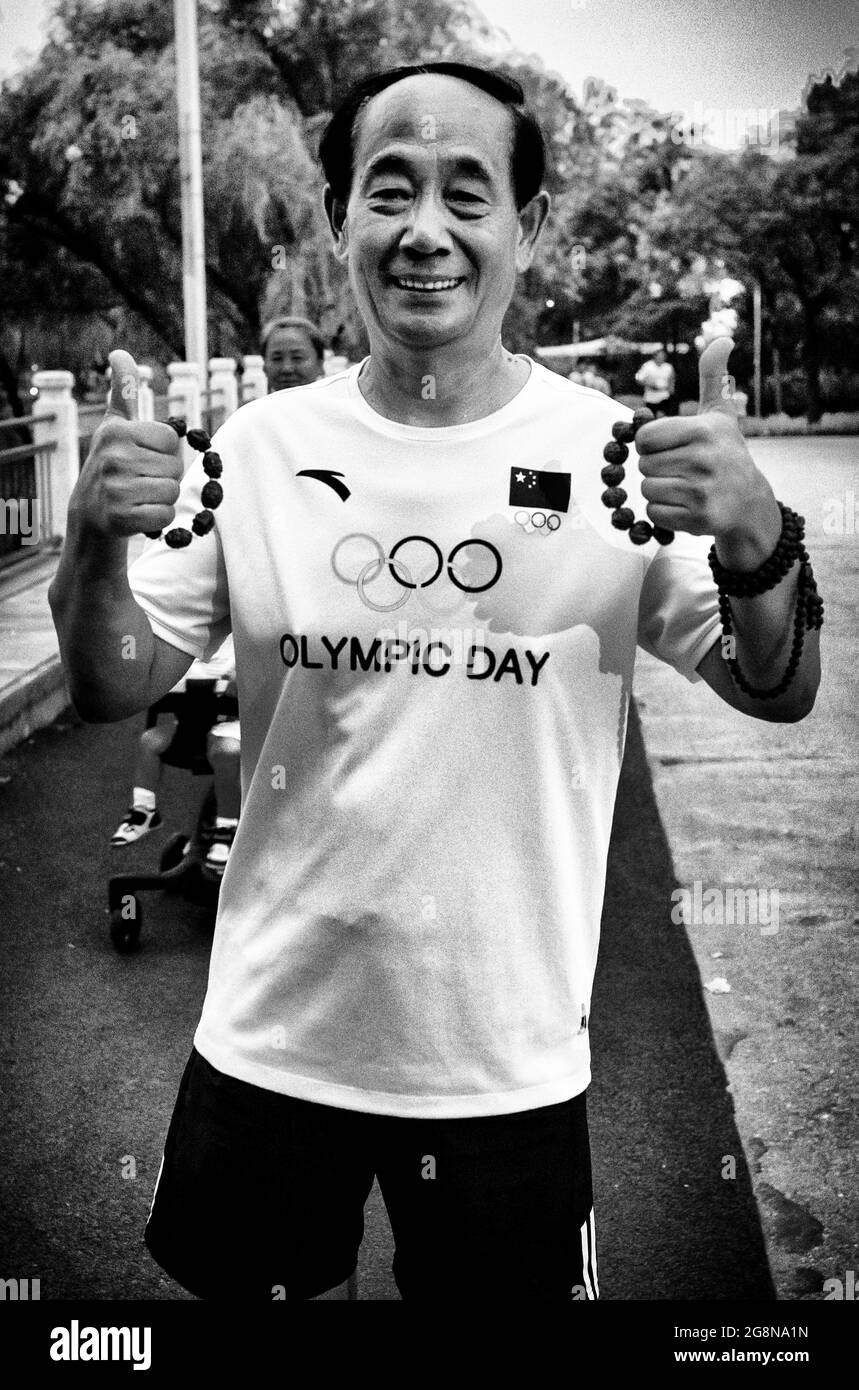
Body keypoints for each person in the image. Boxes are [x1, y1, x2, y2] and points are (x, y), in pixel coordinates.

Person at [49, 61, 820, 1302]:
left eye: (468, 193)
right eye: (388, 189)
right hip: (270, 1044)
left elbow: (775, 687)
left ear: (527, 225)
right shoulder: (259, 450)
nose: (425, 231)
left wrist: (753, 540)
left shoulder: (615, 459)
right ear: (336, 218)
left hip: (503, 1068)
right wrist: (91, 546)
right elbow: (112, 681)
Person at [110, 636, 240, 877]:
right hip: (194, 724)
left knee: (225, 754)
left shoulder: (240, 636)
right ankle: (144, 811)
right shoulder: (192, 636)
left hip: (232, 724)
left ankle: (225, 830)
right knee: (150, 742)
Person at [261, 316, 326, 391]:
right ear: (264, 367)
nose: (287, 368)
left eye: (297, 357)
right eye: (277, 358)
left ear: (320, 364)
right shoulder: (255, 403)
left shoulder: (338, 402)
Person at [635, 346, 677, 416]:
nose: (662, 358)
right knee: (651, 417)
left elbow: (672, 379)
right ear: (655, 356)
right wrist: (649, 384)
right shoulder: (647, 366)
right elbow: (638, 379)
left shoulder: (668, 367)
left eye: (663, 356)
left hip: (664, 396)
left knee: (665, 417)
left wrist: (671, 389)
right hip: (650, 398)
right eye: (660, 356)